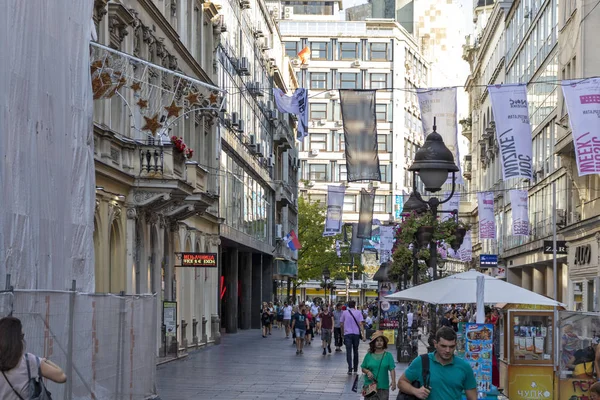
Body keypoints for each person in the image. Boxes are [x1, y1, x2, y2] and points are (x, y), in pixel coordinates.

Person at [398, 327, 477, 400]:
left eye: (451, 347)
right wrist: (415, 391)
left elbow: (472, 397)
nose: (447, 350)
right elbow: (402, 382)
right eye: (443, 346)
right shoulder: (421, 361)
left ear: (455, 345)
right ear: (435, 344)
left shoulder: (464, 367)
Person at [0, 316, 67, 399]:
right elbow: (62, 377)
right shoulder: (29, 361)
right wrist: (44, 361)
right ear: (18, 339)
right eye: (22, 336)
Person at [360, 331, 396, 400]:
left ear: (384, 343)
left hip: (383, 387)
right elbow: (363, 368)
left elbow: (392, 369)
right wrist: (368, 372)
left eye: (381, 341)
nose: (379, 342)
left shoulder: (388, 356)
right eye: (377, 341)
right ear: (373, 343)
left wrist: (393, 381)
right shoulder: (368, 355)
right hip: (369, 387)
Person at [340, 300, 364, 375]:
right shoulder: (359, 312)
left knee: (348, 351)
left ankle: (350, 368)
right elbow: (361, 324)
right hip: (356, 334)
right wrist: (363, 335)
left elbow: (341, 324)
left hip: (347, 334)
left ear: (348, 305)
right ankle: (356, 368)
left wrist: (342, 333)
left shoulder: (344, 313)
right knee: (356, 350)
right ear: (355, 305)